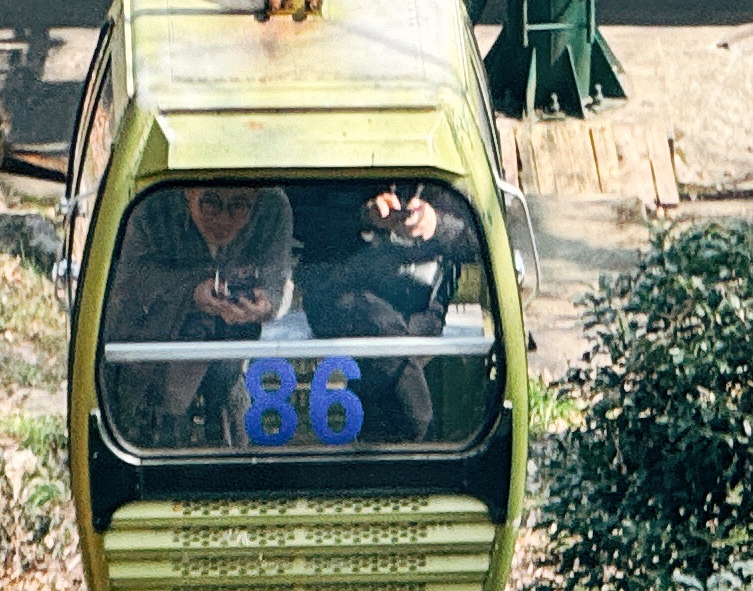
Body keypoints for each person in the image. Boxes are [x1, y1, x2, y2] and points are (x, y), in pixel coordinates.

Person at [101, 182, 294, 445]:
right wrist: (190, 291)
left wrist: (264, 305)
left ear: (257, 200)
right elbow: (126, 284)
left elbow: (278, 281)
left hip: (230, 356)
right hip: (151, 357)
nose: (223, 219)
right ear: (188, 193)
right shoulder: (150, 206)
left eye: (238, 206)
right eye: (211, 203)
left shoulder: (274, 209)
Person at [304, 180, 486, 440]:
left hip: (419, 308)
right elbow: (306, 218)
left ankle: (391, 446)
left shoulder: (448, 177)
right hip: (345, 298)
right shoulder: (345, 159)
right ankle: (421, 438)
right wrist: (364, 216)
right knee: (381, 330)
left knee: (387, 369)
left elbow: (480, 241)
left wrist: (436, 223)